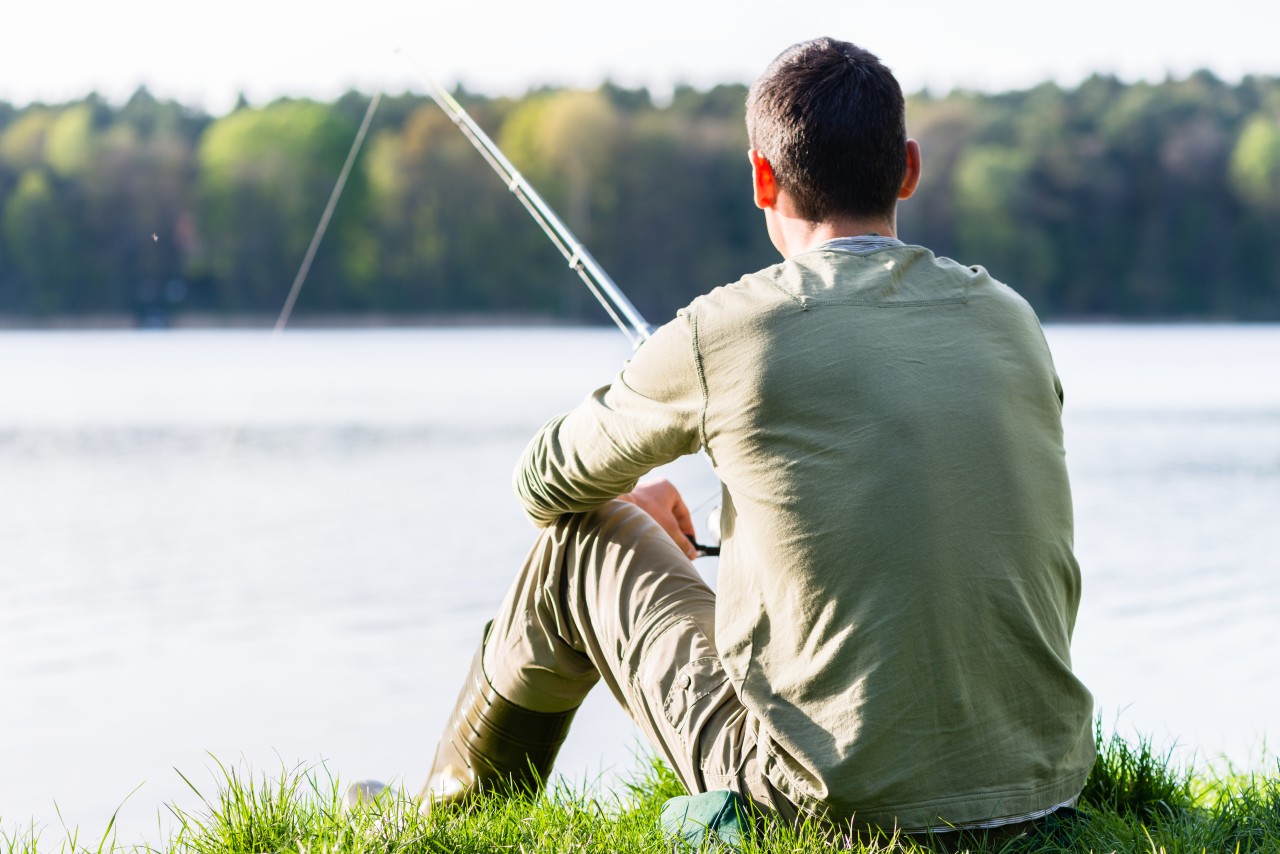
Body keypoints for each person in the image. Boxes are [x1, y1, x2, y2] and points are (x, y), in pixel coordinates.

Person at [418, 37, 1096, 842]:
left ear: (762, 178)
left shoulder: (730, 329)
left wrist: (628, 500)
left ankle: (448, 819)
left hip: (831, 806)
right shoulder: (1010, 318)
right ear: (908, 168)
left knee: (577, 543)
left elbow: (543, 480)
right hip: (1046, 785)